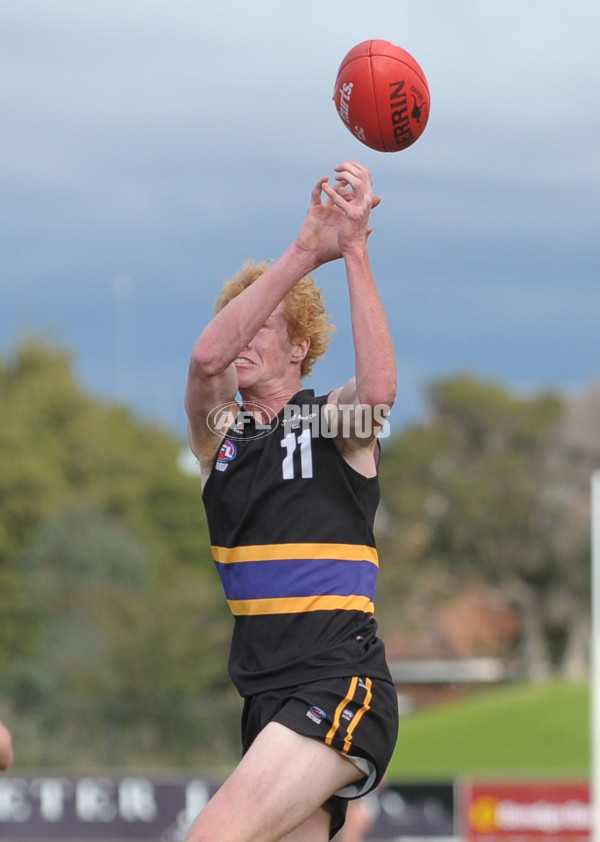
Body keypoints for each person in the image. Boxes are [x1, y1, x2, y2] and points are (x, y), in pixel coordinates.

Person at [184, 161, 399, 842]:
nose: (242, 339)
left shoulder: (331, 424)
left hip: (336, 683)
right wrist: (305, 248)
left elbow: (378, 394)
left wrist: (353, 250)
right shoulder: (222, 435)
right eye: (238, 323)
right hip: (266, 699)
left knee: (211, 837)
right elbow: (206, 362)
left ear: (301, 346)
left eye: (262, 329)